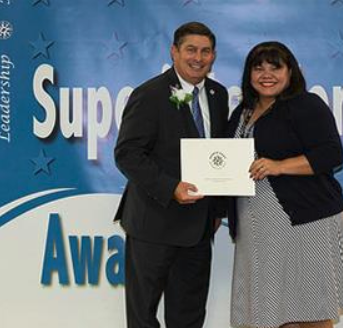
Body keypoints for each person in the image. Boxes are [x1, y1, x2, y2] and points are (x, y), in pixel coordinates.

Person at [227, 41, 343, 328]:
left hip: (306, 221)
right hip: (259, 228)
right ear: (248, 75)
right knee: (278, 310)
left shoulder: (306, 105)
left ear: (290, 72)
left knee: (313, 309)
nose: (267, 74)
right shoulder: (241, 113)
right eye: (259, 68)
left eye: (275, 67)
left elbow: (331, 154)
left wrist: (279, 166)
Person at [113, 22, 229, 328]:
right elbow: (127, 153)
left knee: (189, 314)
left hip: (199, 229)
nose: (198, 58)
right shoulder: (149, 94)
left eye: (205, 51)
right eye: (191, 49)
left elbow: (219, 156)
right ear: (174, 52)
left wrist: (217, 210)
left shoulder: (219, 95)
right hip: (154, 222)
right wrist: (171, 187)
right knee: (143, 315)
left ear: (213, 56)